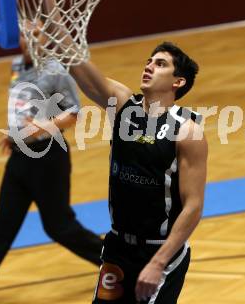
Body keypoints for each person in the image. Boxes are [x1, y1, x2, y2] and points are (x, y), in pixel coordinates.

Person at [0, 30, 103, 304]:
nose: (28, 38)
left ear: (46, 39)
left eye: (37, 33)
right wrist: (13, 134)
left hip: (48, 156)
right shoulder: (17, 65)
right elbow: (23, 107)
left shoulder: (55, 70)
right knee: (2, 226)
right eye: (23, 33)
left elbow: (73, 113)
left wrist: (36, 130)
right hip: (19, 157)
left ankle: (117, 263)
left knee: (60, 227)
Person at [68, 42, 208, 303]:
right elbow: (78, 66)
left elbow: (193, 207)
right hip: (117, 248)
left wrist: (158, 263)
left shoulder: (187, 131)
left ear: (178, 82)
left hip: (160, 252)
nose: (149, 66)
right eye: (149, 61)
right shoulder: (122, 105)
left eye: (160, 64)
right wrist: (52, 14)